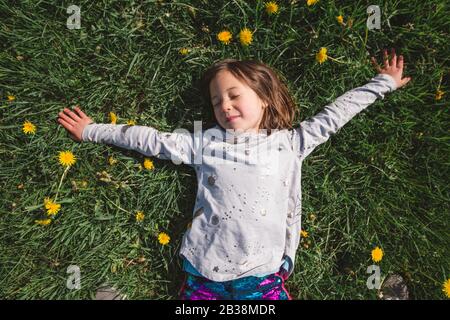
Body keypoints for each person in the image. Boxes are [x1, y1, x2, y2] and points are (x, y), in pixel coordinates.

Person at [57, 48, 411, 300]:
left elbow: (335, 114)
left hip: (263, 275)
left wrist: (382, 83)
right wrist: (92, 130)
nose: (224, 105)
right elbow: (151, 140)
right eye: (215, 101)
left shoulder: (292, 143)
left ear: (264, 99)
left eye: (233, 95)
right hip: (203, 271)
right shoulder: (205, 143)